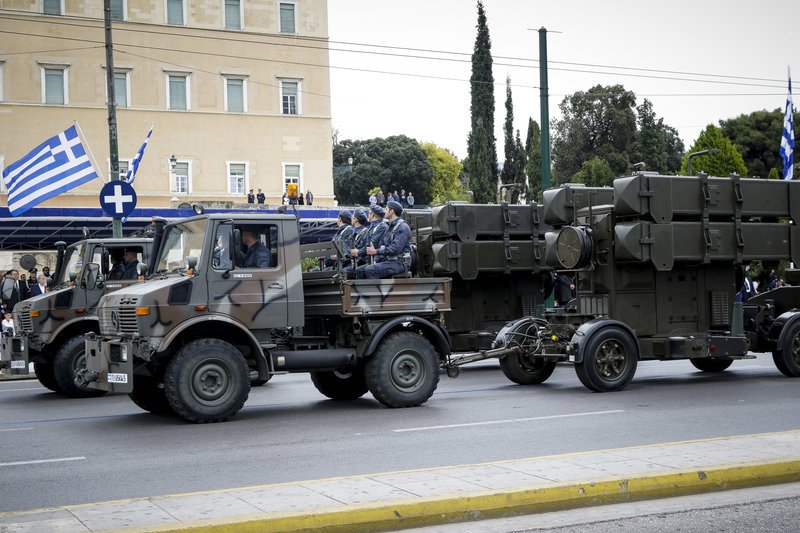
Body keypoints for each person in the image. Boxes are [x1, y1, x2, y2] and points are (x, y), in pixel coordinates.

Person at [357, 200, 412, 279]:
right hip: (389, 261)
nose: (384, 211)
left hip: (400, 263)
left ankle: (376, 287)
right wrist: (376, 259)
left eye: (386, 209)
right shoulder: (389, 227)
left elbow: (395, 249)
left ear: (391, 211)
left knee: (370, 269)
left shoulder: (403, 227)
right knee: (360, 270)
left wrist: (376, 251)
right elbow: (382, 245)